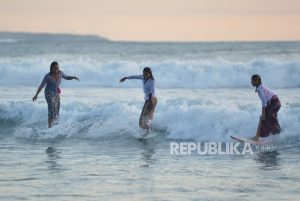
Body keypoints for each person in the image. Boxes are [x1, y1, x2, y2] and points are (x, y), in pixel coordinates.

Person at [32, 61, 79, 128]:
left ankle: (56, 126)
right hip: (48, 93)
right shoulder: (47, 76)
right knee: (51, 109)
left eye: (57, 67)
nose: (56, 69)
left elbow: (66, 77)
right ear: (51, 68)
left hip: (56, 93)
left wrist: (73, 77)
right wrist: (36, 95)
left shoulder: (60, 73)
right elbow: (41, 85)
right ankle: (49, 126)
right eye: (55, 68)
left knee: (57, 109)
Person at [251, 74, 281, 141]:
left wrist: (263, 113)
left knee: (267, 116)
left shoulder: (260, 89)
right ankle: (258, 137)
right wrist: (263, 114)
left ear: (257, 81)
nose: (251, 82)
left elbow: (264, 101)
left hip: (275, 102)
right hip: (272, 103)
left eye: (252, 81)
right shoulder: (260, 87)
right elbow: (266, 101)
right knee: (263, 118)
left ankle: (278, 132)